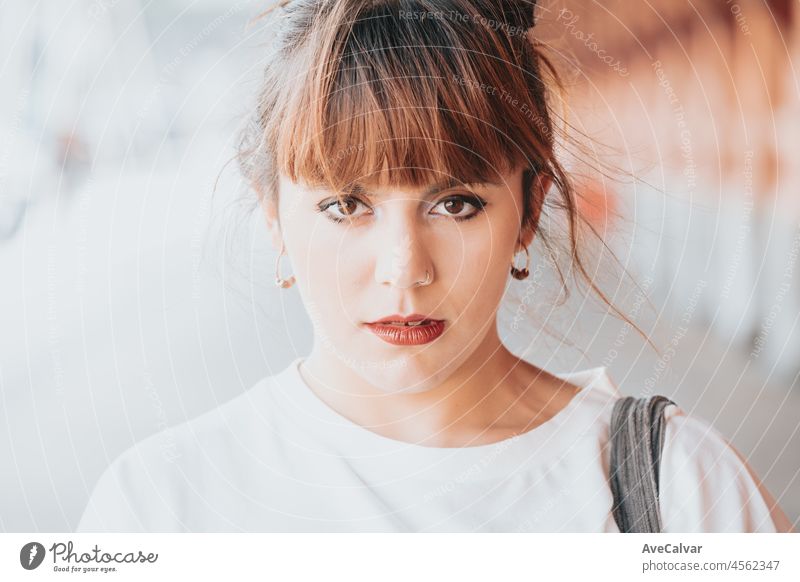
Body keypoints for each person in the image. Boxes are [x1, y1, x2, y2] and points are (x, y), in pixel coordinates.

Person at [77, 0, 793, 533]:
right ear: (274, 217)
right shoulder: (157, 506)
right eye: (345, 206)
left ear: (529, 209)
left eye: (455, 204)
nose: (404, 269)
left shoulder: (682, 492)